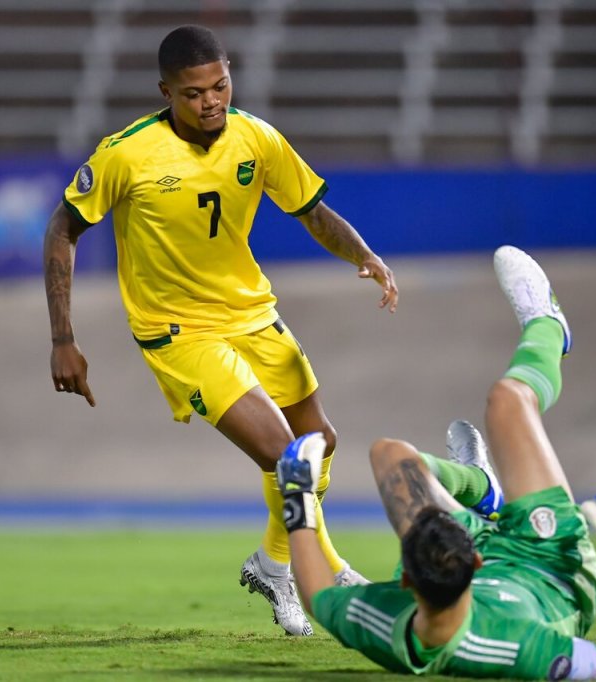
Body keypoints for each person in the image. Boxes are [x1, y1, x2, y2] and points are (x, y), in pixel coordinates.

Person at [42, 24, 398, 636]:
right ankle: (322, 571)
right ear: (166, 92)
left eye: (221, 85)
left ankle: (272, 562)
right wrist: (62, 338)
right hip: (178, 331)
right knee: (284, 453)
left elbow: (311, 209)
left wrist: (364, 254)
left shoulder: (256, 138)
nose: (212, 101)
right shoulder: (126, 153)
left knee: (320, 444)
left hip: (253, 312)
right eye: (194, 92)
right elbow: (61, 230)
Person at [276, 245, 596, 678]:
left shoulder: (384, 623)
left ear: (404, 581)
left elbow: (318, 597)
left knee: (389, 454)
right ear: (473, 558)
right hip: (553, 565)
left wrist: (297, 495)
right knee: (508, 402)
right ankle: (549, 327)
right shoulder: (518, 647)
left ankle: (480, 483)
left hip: (486, 556)